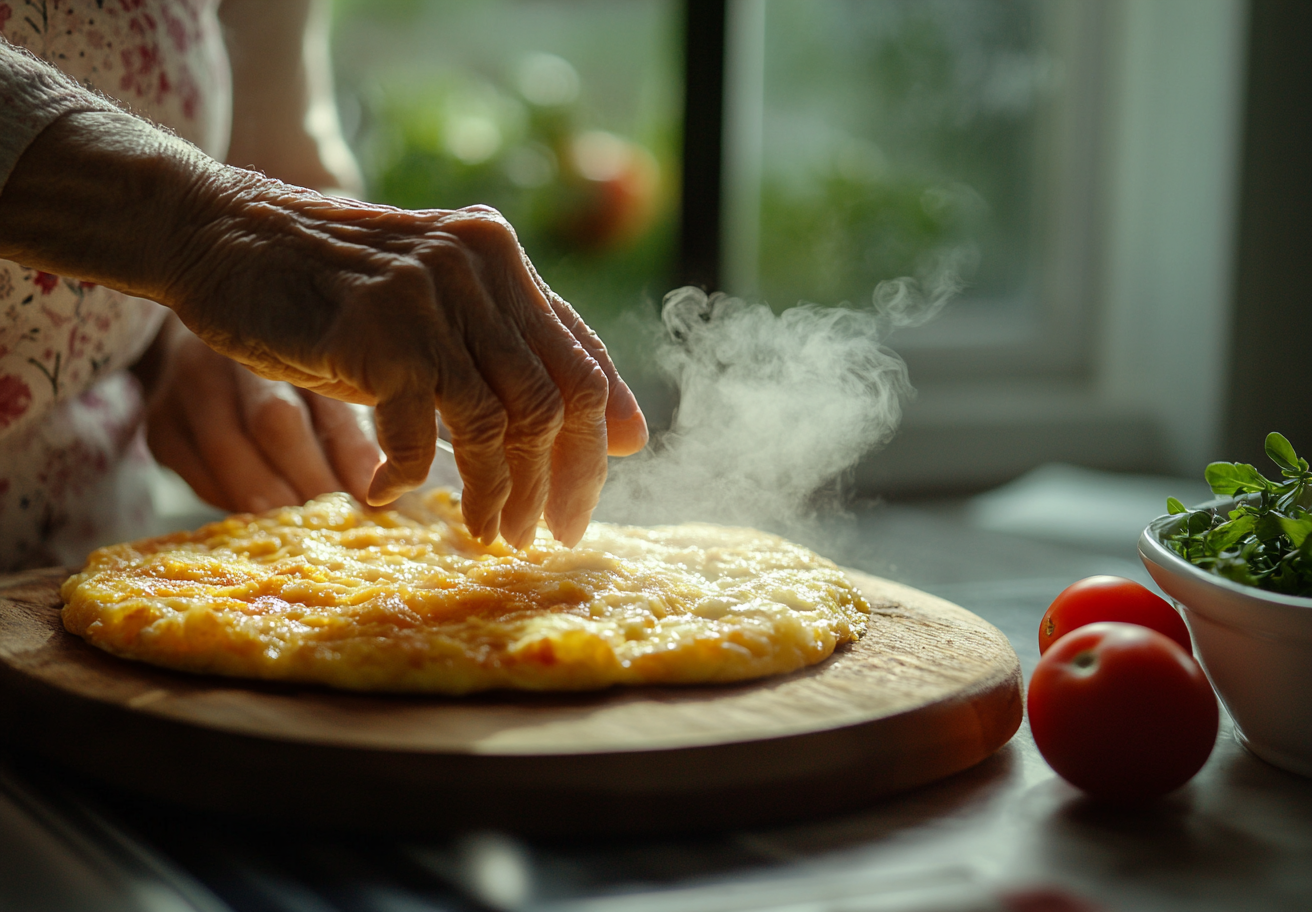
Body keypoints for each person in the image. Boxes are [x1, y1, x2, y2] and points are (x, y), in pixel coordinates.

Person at [0, 0, 646, 569]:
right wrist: (208, 236)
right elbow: (245, 227)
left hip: (82, 554)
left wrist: (192, 342)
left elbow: (281, 158)